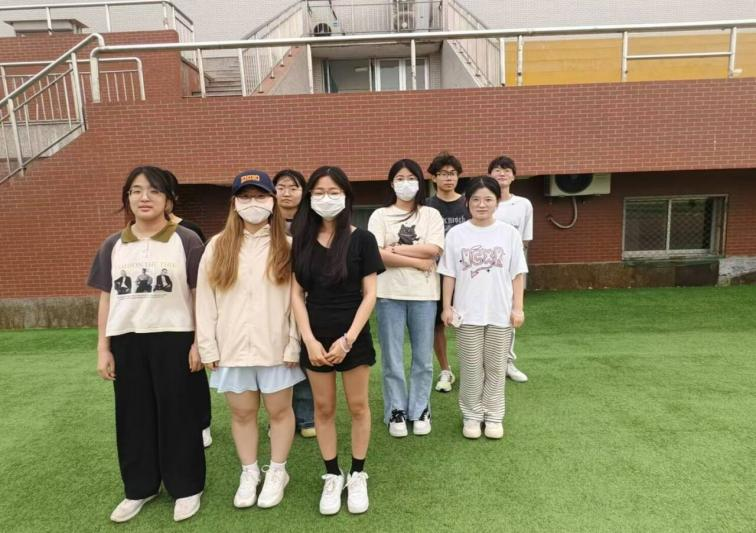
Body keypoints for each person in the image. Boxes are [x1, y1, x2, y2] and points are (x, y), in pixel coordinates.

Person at [87, 166, 207, 523]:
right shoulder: (113, 245)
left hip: (175, 338)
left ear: (169, 199)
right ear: (127, 198)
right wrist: (103, 348)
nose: (144, 198)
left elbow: (199, 294)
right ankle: (140, 487)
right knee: (133, 417)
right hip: (127, 341)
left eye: (154, 191)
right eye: (136, 190)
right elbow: (107, 299)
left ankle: (187, 487)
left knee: (179, 415)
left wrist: (199, 342)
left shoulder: (187, 240)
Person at [196, 170, 303, 510]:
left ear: (273, 201)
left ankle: (278, 471)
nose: (253, 203)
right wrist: (207, 346)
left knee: (279, 411)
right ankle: (249, 471)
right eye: (246, 197)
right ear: (234, 203)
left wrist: (294, 342)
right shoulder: (217, 246)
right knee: (242, 413)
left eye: (260, 196)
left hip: (277, 348)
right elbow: (205, 300)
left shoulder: (288, 246)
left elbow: (297, 301)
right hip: (233, 348)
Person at [290, 166, 383, 515]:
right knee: (324, 409)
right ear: (309, 198)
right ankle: (332, 474)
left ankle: (357, 474)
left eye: (333, 192)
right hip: (315, 335)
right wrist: (309, 340)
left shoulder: (362, 239)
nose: (325, 198)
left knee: (358, 406)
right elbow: (296, 294)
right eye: (318, 192)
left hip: (352, 336)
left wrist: (348, 340)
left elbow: (370, 294)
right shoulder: (301, 239)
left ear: (346, 196)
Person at [438, 176, 527, 439]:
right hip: (467, 313)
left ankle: (494, 415)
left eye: (488, 199)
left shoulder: (509, 233)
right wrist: (446, 306)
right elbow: (449, 274)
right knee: (471, 367)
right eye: (476, 199)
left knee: (496, 367)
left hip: (500, 313)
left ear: (497, 202)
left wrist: (518, 308)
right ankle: (472, 415)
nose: (482, 204)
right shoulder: (456, 234)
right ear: (467, 202)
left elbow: (517, 274)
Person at [367, 159, 444, 437]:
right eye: (399, 178)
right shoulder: (380, 215)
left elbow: (433, 250)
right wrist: (417, 261)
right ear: (391, 183)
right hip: (389, 295)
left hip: (424, 295)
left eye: (411, 178)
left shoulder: (431, 214)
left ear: (420, 182)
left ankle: (420, 409)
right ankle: (396, 411)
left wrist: (395, 250)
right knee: (392, 358)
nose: (405, 183)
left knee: (423, 358)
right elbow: (376, 254)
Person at [162, 168, 213, 447]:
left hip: (186, 316)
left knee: (193, 373)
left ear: (172, 198)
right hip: (157, 319)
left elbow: (199, 280)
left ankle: (202, 423)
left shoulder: (189, 231)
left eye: (159, 191)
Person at [273, 169, 316, 439]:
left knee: (304, 357)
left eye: (293, 187)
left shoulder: (313, 222)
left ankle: (307, 416)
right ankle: (278, 417)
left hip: (306, 298)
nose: (286, 193)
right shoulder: (265, 222)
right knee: (279, 361)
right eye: (281, 187)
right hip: (274, 299)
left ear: (304, 192)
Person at [425, 151, 469, 393]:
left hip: (467, 274)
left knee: (469, 322)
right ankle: (445, 369)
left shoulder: (468, 203)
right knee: (437, 324)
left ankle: (473, 368)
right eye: (443, 173)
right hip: (434, 274)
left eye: (452, 173)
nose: (448, 178)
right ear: (434, 178)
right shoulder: (426, 206)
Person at [489, 155, 533, 383]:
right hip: (485, 269)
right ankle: (485, 364)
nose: (502, 173)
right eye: (497, 169)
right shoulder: (483, 201)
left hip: (511, 271)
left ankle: (507, 362)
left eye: (506, 170)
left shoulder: (523, 204)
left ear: (514, 176)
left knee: (510, 316)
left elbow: (525, 240)